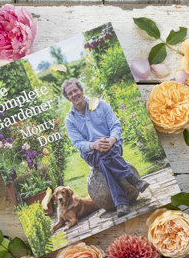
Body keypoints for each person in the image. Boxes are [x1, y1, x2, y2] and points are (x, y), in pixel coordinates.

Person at [61, 78, 148, 217]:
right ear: (68, 98)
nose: (74, 94)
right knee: (101, 155)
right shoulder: (69, 119)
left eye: (75, 90)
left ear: (82, 90)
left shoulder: (100, 104)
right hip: (91, 153)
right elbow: (78, 143)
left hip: (112, 146)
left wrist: (111, 139)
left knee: (103, 159)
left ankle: (121, 203)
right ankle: (132, 179)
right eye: (70, 93)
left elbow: (116, 126)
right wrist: (94, 145)